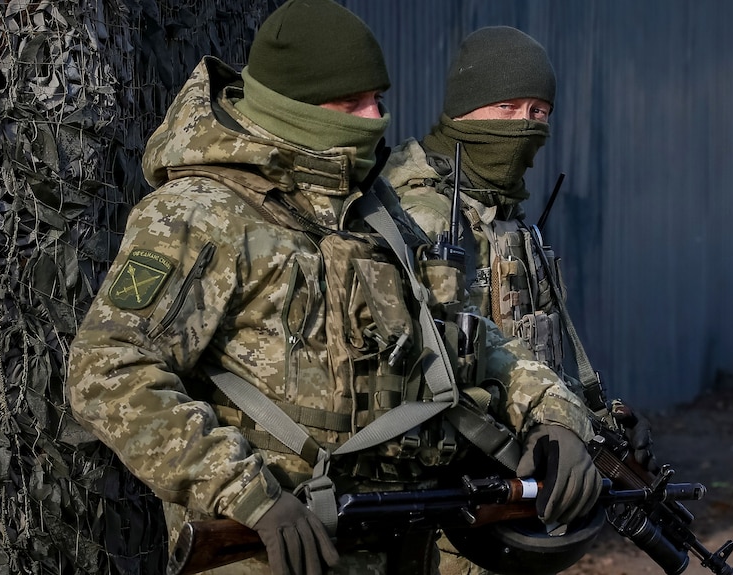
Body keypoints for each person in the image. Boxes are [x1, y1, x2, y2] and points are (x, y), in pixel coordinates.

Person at [66, 5, 603, 575]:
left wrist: (552, 415)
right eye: (351, 106)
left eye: (376, 99)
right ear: (292, 107)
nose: (375, 119)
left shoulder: (377, 212)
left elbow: (467, 335)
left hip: (406, 545)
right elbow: (108, 369)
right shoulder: (202, 216)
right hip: (278, 551)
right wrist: (247, 494)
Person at [383, 25, 656, 574]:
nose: (524, 127)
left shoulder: (504, 216)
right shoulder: (414, 216)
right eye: (506, 106)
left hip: (520, 491)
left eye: (538, 112)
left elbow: (547, 338)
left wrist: (598, 415)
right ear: (464, 110)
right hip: (449, 506)